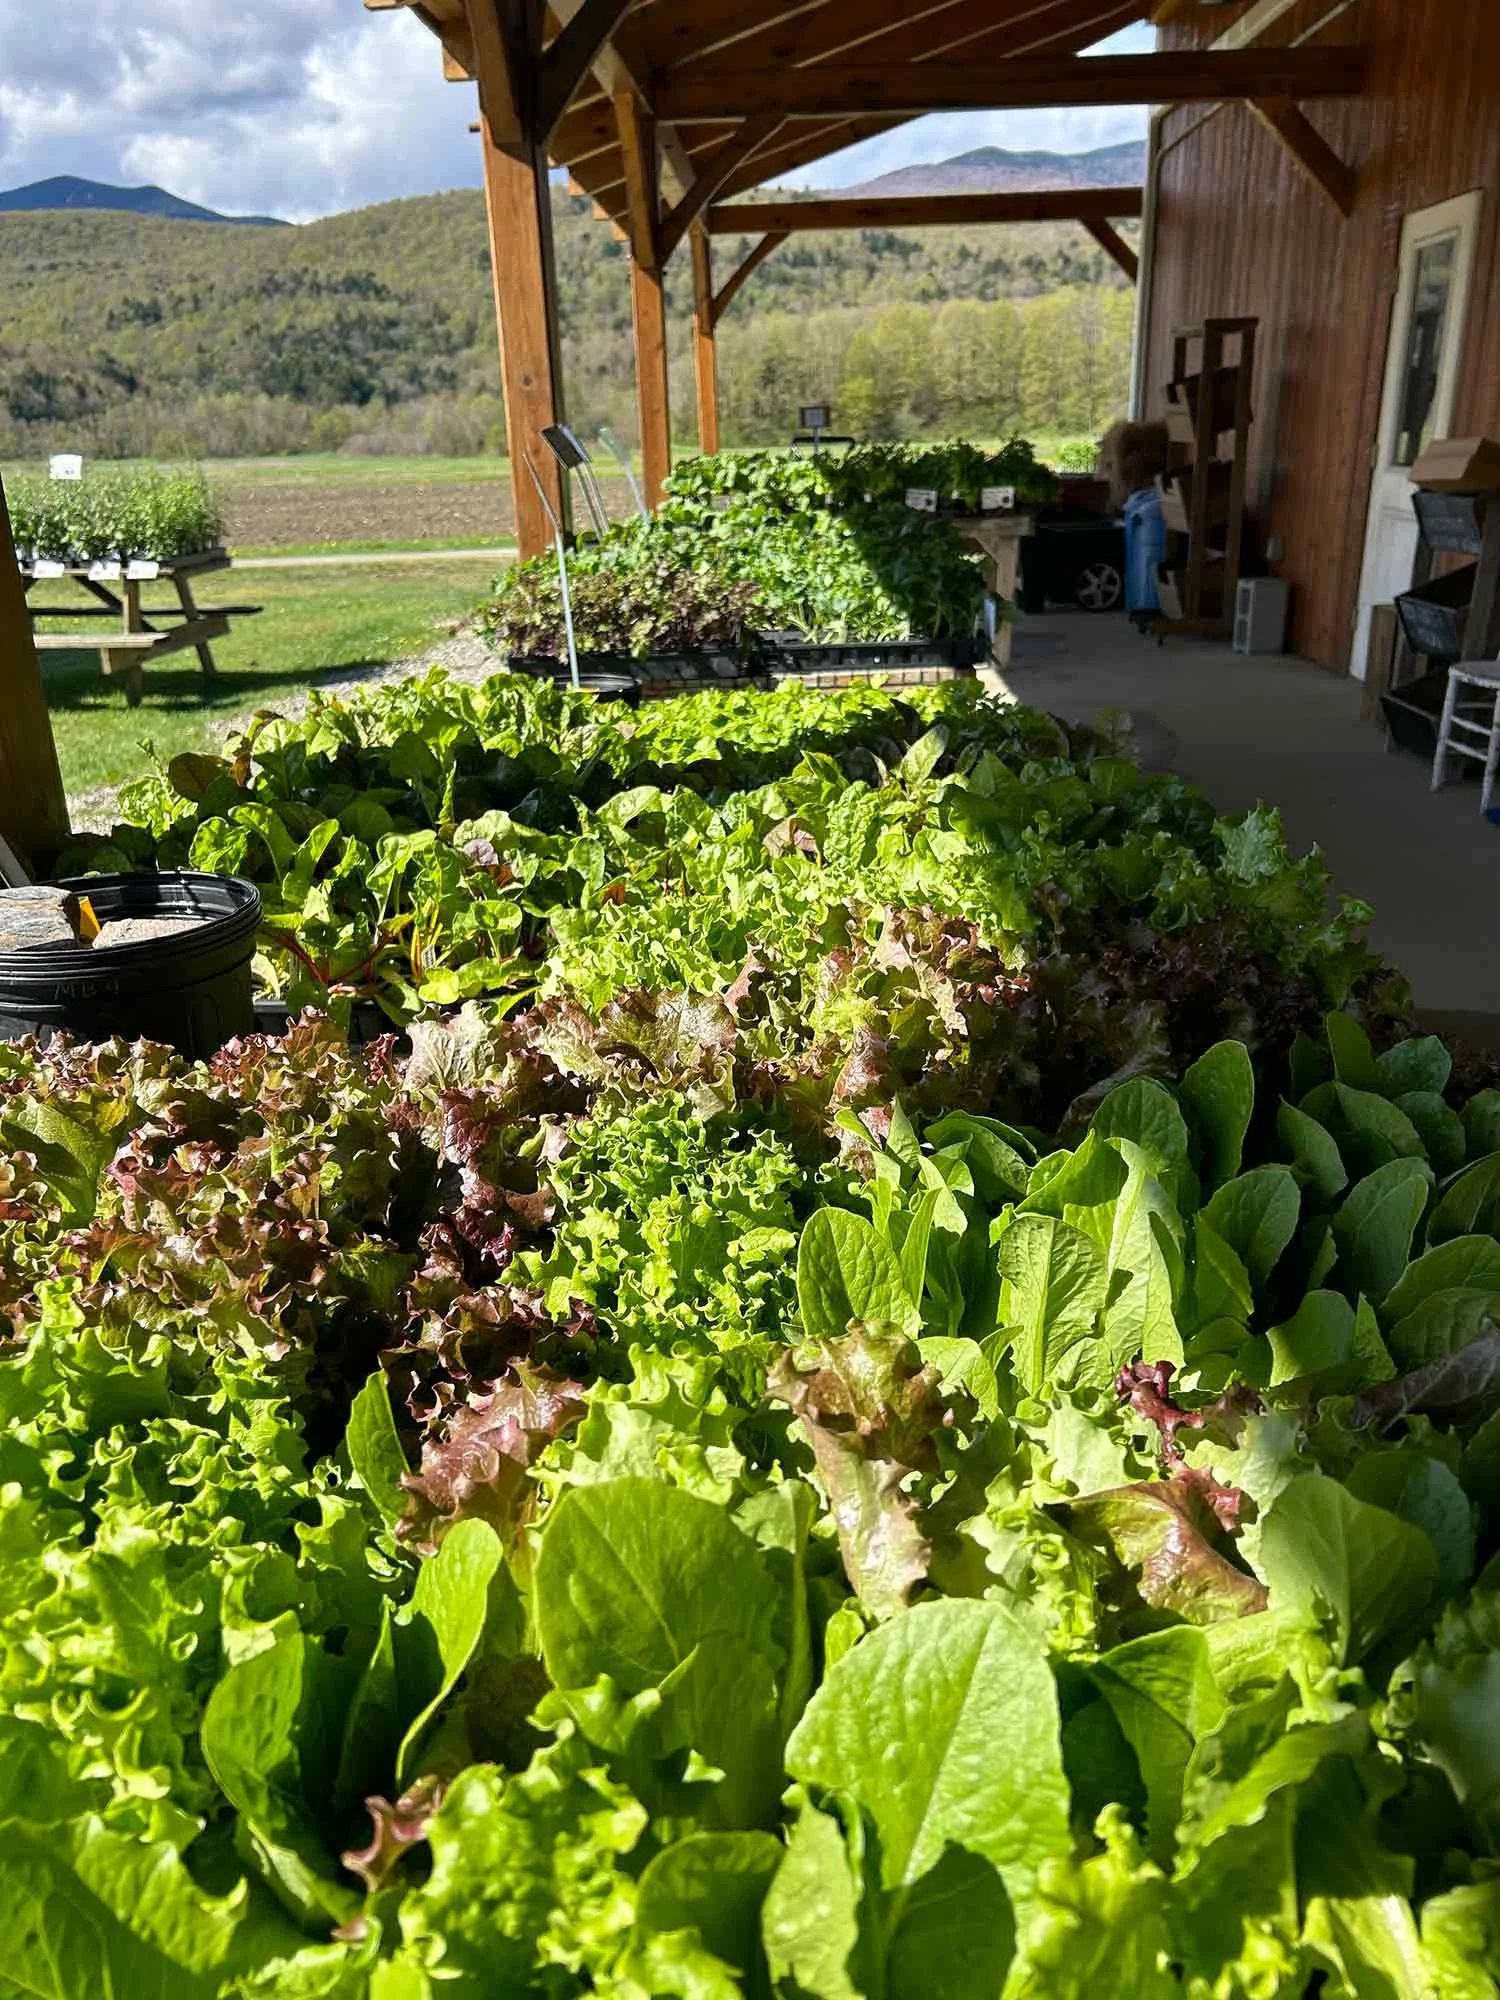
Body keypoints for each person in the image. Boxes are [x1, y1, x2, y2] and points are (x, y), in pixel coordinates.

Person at [1101, 421, 1170, 629]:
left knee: (1145, 564)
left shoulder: (1147, 498)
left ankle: (1146, 605)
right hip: (1140, 514)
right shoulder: (1141, 499)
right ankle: (1142, 605)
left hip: (1143, 516)